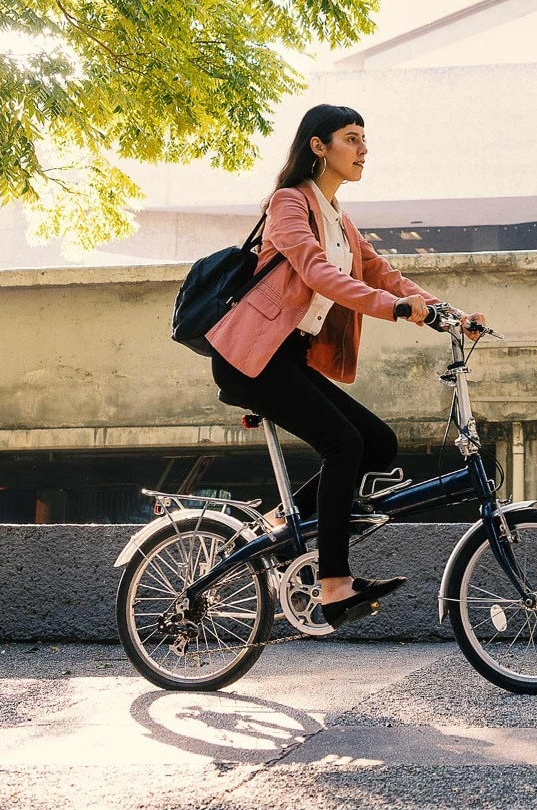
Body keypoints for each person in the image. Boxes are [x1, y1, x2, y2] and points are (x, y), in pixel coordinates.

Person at [205, 103, 487, 629]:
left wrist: (446, 312)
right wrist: (394, 310)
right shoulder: (288, 205)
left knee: (377, 444)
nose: (363, 149)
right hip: (250, 356)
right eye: (352, 138)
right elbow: (314, 271)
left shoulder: (338, 217)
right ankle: (334, 583)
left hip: (286, 358)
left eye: (365, 139)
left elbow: (383, 271)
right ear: (319, 146)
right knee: (343, 444)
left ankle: (278, 525)